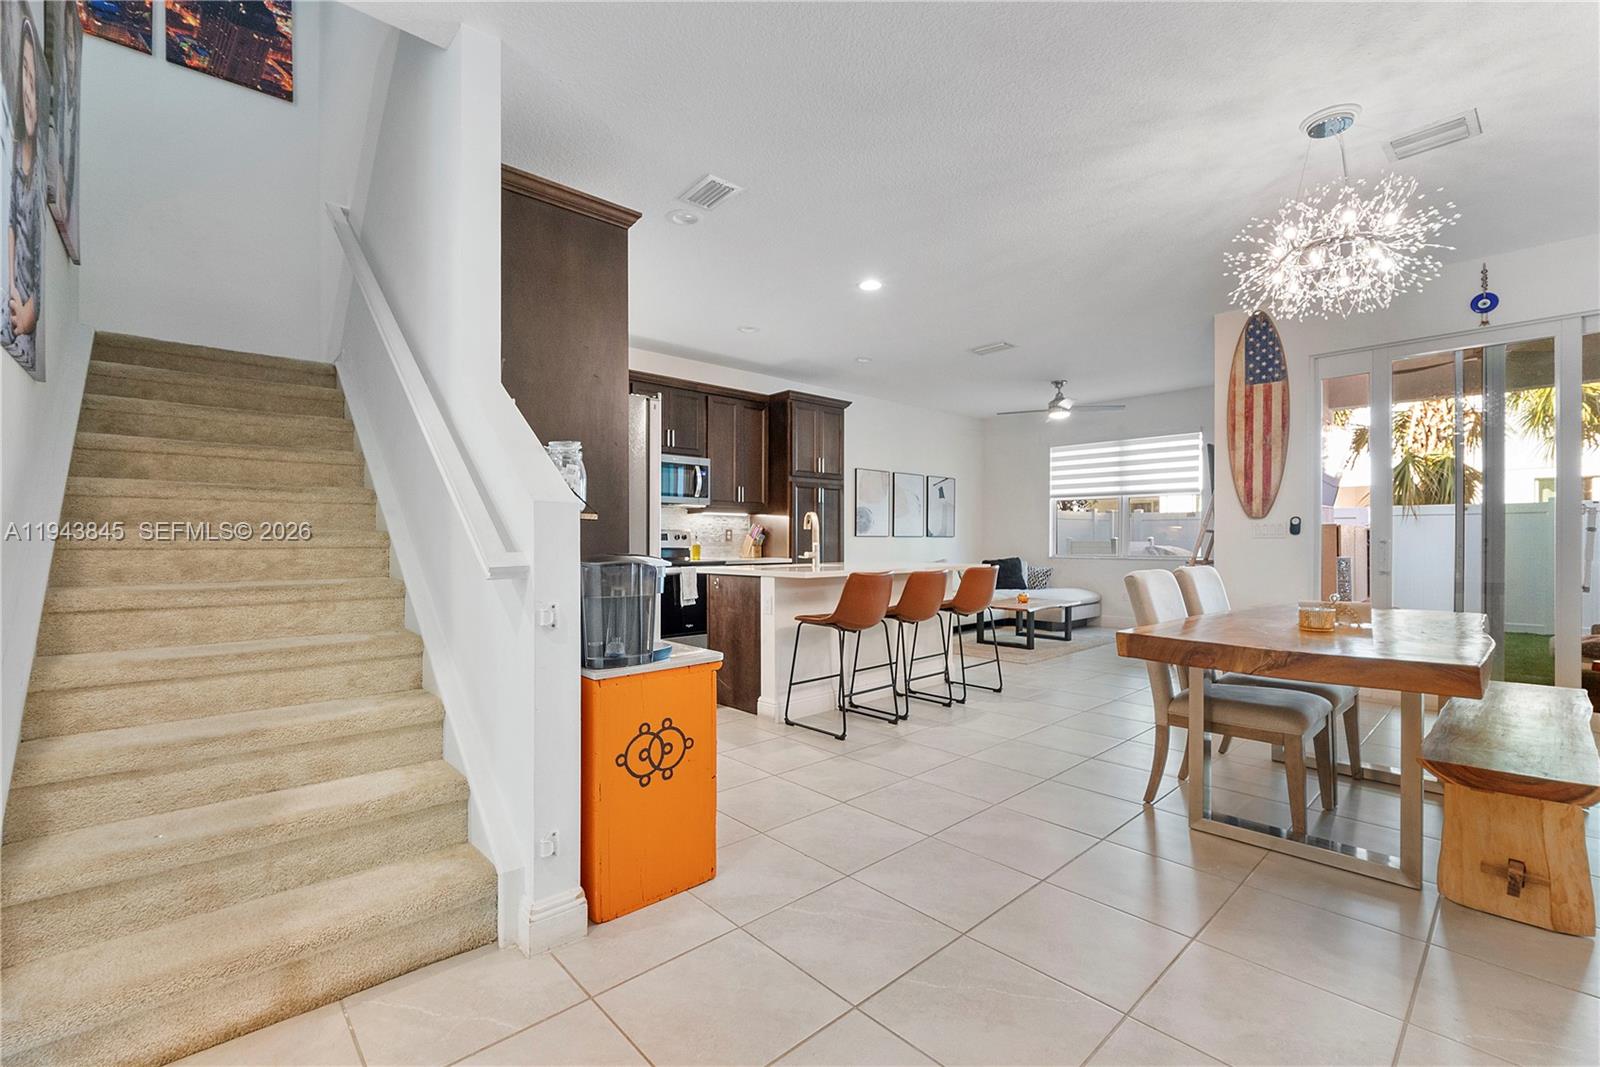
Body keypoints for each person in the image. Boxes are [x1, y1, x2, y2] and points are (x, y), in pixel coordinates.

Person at [4, 14, 41, 374]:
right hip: (15, 307)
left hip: (27, 320)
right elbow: (10, 224)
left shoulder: (38, 170)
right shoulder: (12, 159)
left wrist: (32, 312)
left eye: (34, 81)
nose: (29, 93)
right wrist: (12, 284)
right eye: (24, 78)